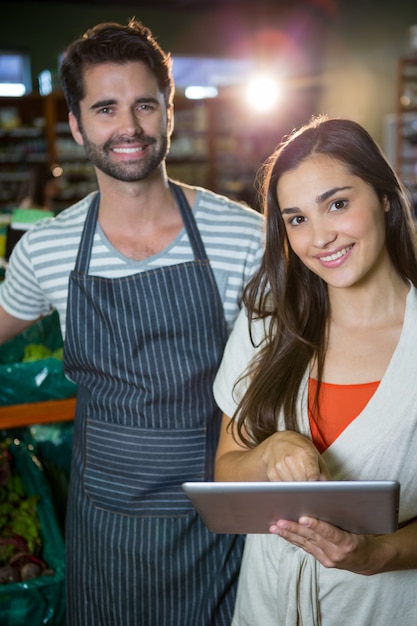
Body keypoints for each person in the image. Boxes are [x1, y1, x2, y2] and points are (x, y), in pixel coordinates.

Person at [0, 19, 264, 626]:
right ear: (77, 124)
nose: (129, 128)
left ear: (169, 113)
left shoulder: (243, 235)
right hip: (104, 529)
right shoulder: (46, 248)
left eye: (145, 105)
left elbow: (289, 366)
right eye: (106, 108)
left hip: (214, 526)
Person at [213, 115, 417, 625]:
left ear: (386, 198)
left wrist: (378, 554)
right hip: (265, 607)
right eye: (297, 218)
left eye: (338, 204)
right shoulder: (267, 320)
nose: (320, 236)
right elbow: (226, 470)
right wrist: (271, 453)